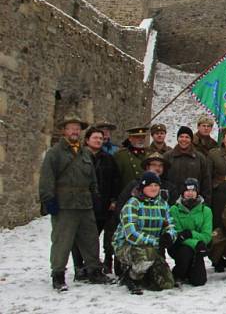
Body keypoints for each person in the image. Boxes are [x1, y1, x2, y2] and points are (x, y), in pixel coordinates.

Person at [40, 115, 111, 291]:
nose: (75, 131)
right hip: (65, 205)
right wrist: (48, 199)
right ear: (64, 131)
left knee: (91, 239)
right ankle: (58, 274)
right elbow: (46, 178)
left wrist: (95, 195)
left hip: (85, 204)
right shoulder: (54, 153)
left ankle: (94, 270)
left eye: (77, 128)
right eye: (71, 128)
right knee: (62, 241)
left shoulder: (84, 153)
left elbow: (91, 177)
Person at [113, 171, 176, 294]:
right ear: (142, 187)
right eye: (150, 185)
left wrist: (169, 235)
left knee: (167, 283)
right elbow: (132, 234)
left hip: (151, 247)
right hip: (128, 246)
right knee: (147, 253)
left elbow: (170, 225)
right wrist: (156, 241)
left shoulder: (163, 204)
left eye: (156, 185)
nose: (153, 188)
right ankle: (131, 276)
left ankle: (145, 274)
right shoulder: (132, 204)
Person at [72, 126, 120, 278]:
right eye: (95, 138)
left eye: (101, 138)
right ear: (87, 140)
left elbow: (115, 180)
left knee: (94, 237)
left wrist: (113, 199)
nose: (98, 140)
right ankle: (79, 267)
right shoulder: (78, 157)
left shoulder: (108, 159)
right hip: (82, 202)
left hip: (103, 203)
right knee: (80, 237)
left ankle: (93, 265)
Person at [168, 178, 212, 286]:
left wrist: (191, 234)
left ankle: (190, 271)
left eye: (193, 190)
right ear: (183, 192)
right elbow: (178, 233)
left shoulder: (206, 211)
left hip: (199, 247)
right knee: (185, 252)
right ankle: (178, 274)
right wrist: (195, 242)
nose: (190, 193)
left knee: (199, 281)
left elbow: (206, 235)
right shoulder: (174, 209)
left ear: (197, 192)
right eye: (187, 190)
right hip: (180, 245)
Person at [164, 126, 212, 202]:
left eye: (187, 137)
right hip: (172, 201)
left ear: (191, 140)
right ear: (177, 138)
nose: (184, 139)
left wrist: (206, 202)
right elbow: (163, 179)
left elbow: (206, 182)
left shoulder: (200, 158)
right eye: (181, 136)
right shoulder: (168, 156)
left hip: (194, 202)